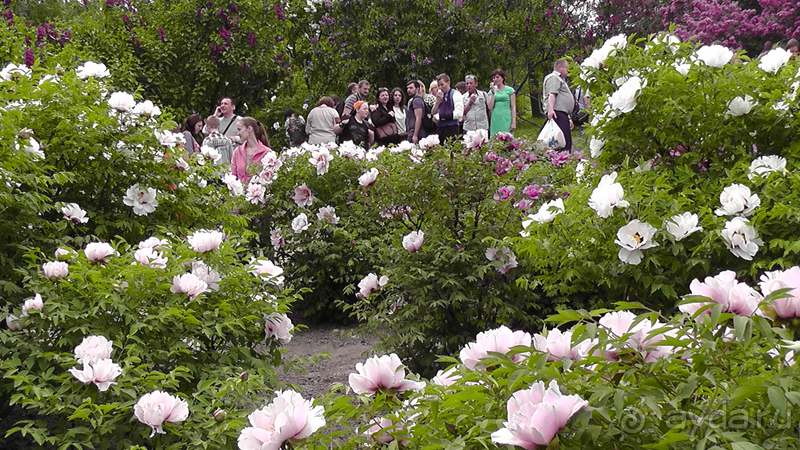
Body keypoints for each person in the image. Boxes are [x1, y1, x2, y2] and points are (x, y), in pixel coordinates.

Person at [543, 59, 575, 150]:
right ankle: (559, 161)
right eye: (566, 68)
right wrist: (550, 110)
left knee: (566, 141)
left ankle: (564, 160)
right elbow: (552, 94)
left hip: (562, 114)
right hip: (556, 114)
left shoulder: (561, 79)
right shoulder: (554, 77)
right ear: (560, 67)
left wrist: (568, 117)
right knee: (559, 142)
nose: (568, 70)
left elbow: (561, 100)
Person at [230, 117, 271, 184]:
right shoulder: (237, 152)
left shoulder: (267, 153)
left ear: (249, 128)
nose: (237, 133)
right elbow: (232, 176)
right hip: (240, 193)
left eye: (239, 129)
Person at [431, 73, 464, 142]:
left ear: (448, 83)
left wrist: (441, 116)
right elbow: (433, 113)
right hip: (440, 128)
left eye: (442, 85)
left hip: (451, 128)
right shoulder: (439, 96)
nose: (440, 87)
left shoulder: (455, 94)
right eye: (438, 85)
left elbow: (459, 113)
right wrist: (437, 102)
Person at [488, 69, 517, 136]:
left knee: (506, 137)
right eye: (494, 78)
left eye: (497, 77)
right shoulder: (492, 91)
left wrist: (513, 122)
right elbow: (490, 107)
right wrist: (492, 93)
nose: (495, 79)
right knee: (495, 137)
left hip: (506, 116)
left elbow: (513, 107)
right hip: (496, 117)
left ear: (502, 78)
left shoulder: (510, 90)